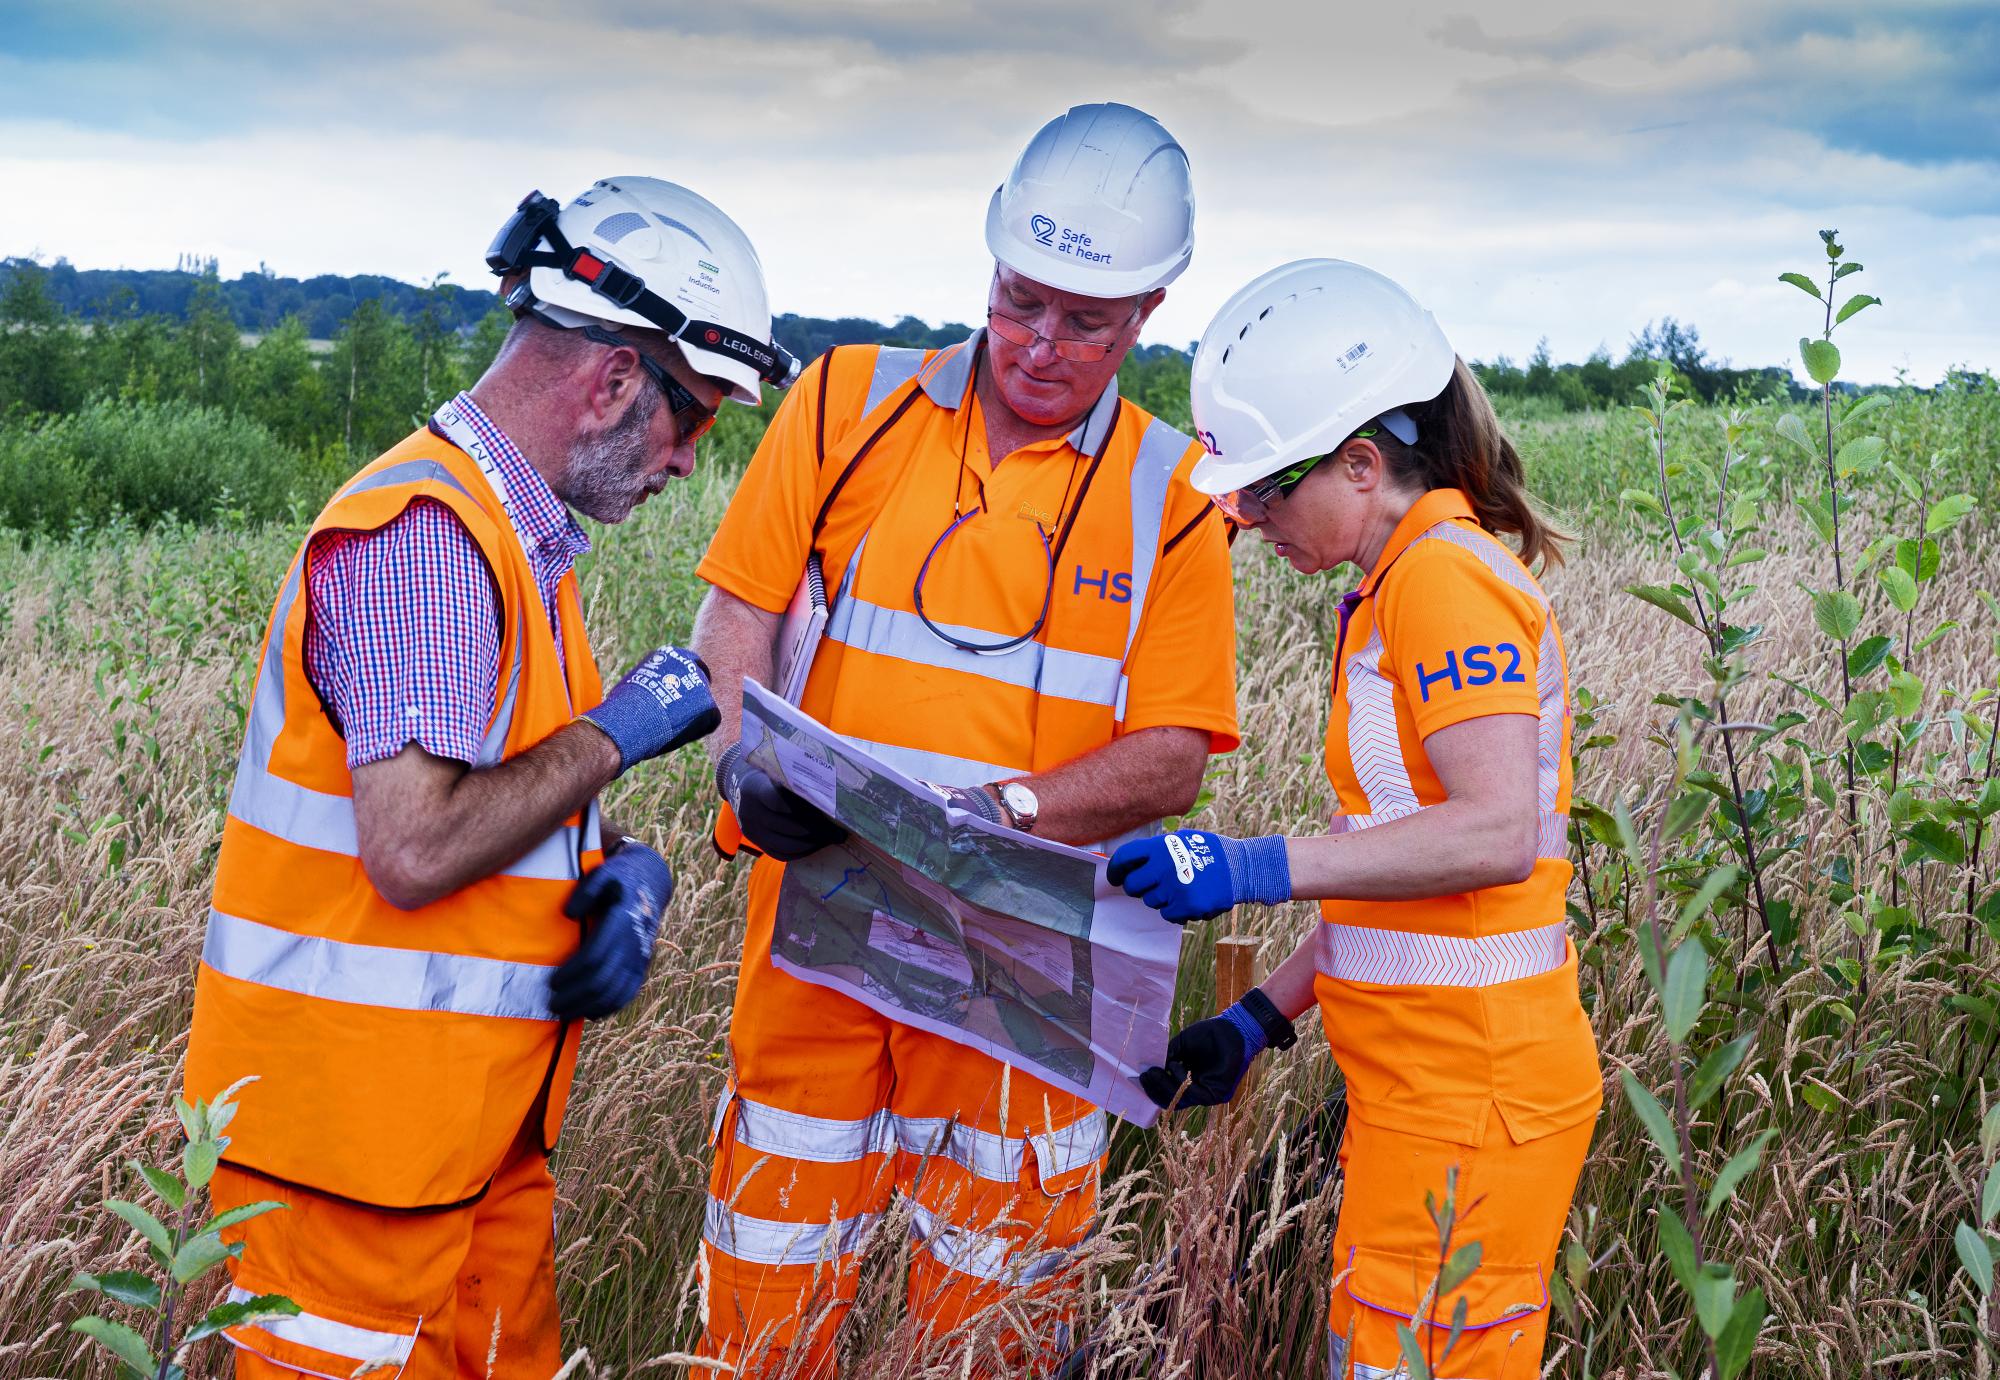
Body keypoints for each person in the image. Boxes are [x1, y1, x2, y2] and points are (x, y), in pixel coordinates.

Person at [183, 177, 796, 1378]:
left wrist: (630, 874)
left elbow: (522, 807)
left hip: (467, 1158)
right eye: (698, 419)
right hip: (348, 1173)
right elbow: (414, 849)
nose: (686, 463)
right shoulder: (427, 537)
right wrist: (622, 730)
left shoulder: (523, 549)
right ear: (616, 380)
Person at [689, 102, 1240, 1374]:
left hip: (1024, 979)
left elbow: (1171, 755)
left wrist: (999, 822)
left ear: (1148, 312)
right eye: (1017, 299)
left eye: (1083, 322)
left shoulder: (1173, 496)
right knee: (764, 1313)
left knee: (992, 1332)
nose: (1038, 345)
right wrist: (739, 765)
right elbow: (735, 625)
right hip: (815, 942)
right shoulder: (843, 403)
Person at [1108, 259, 1602, 1379]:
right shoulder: (1391, 587)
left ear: (1361, 464)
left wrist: (1247, 865)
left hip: (1472, 1099)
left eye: (1261, 491)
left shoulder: (1441, 581)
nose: (1243, 519)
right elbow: (1397, 873)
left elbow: (1490, 835)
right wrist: (1260, 1021)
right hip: (1420, 1089)